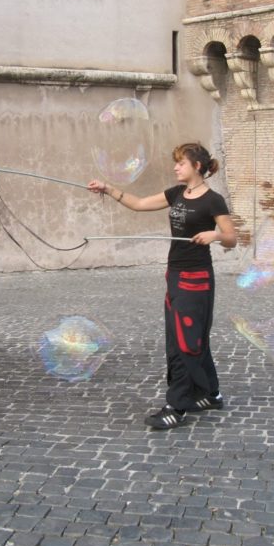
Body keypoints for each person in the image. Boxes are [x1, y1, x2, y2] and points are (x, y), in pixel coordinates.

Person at [88, 142, 237, 430]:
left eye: (181, 162)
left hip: (196, 279)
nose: (175, 167)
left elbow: (232, 237)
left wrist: (214, 235)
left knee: (185, 343)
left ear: (196, 166)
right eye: (176, 162)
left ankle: (177, 406)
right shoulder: (176, 193)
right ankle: (210, 393)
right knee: (185, 338)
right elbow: (140, 204)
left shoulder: (213, 200)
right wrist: (107, 188)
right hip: (175, 275)